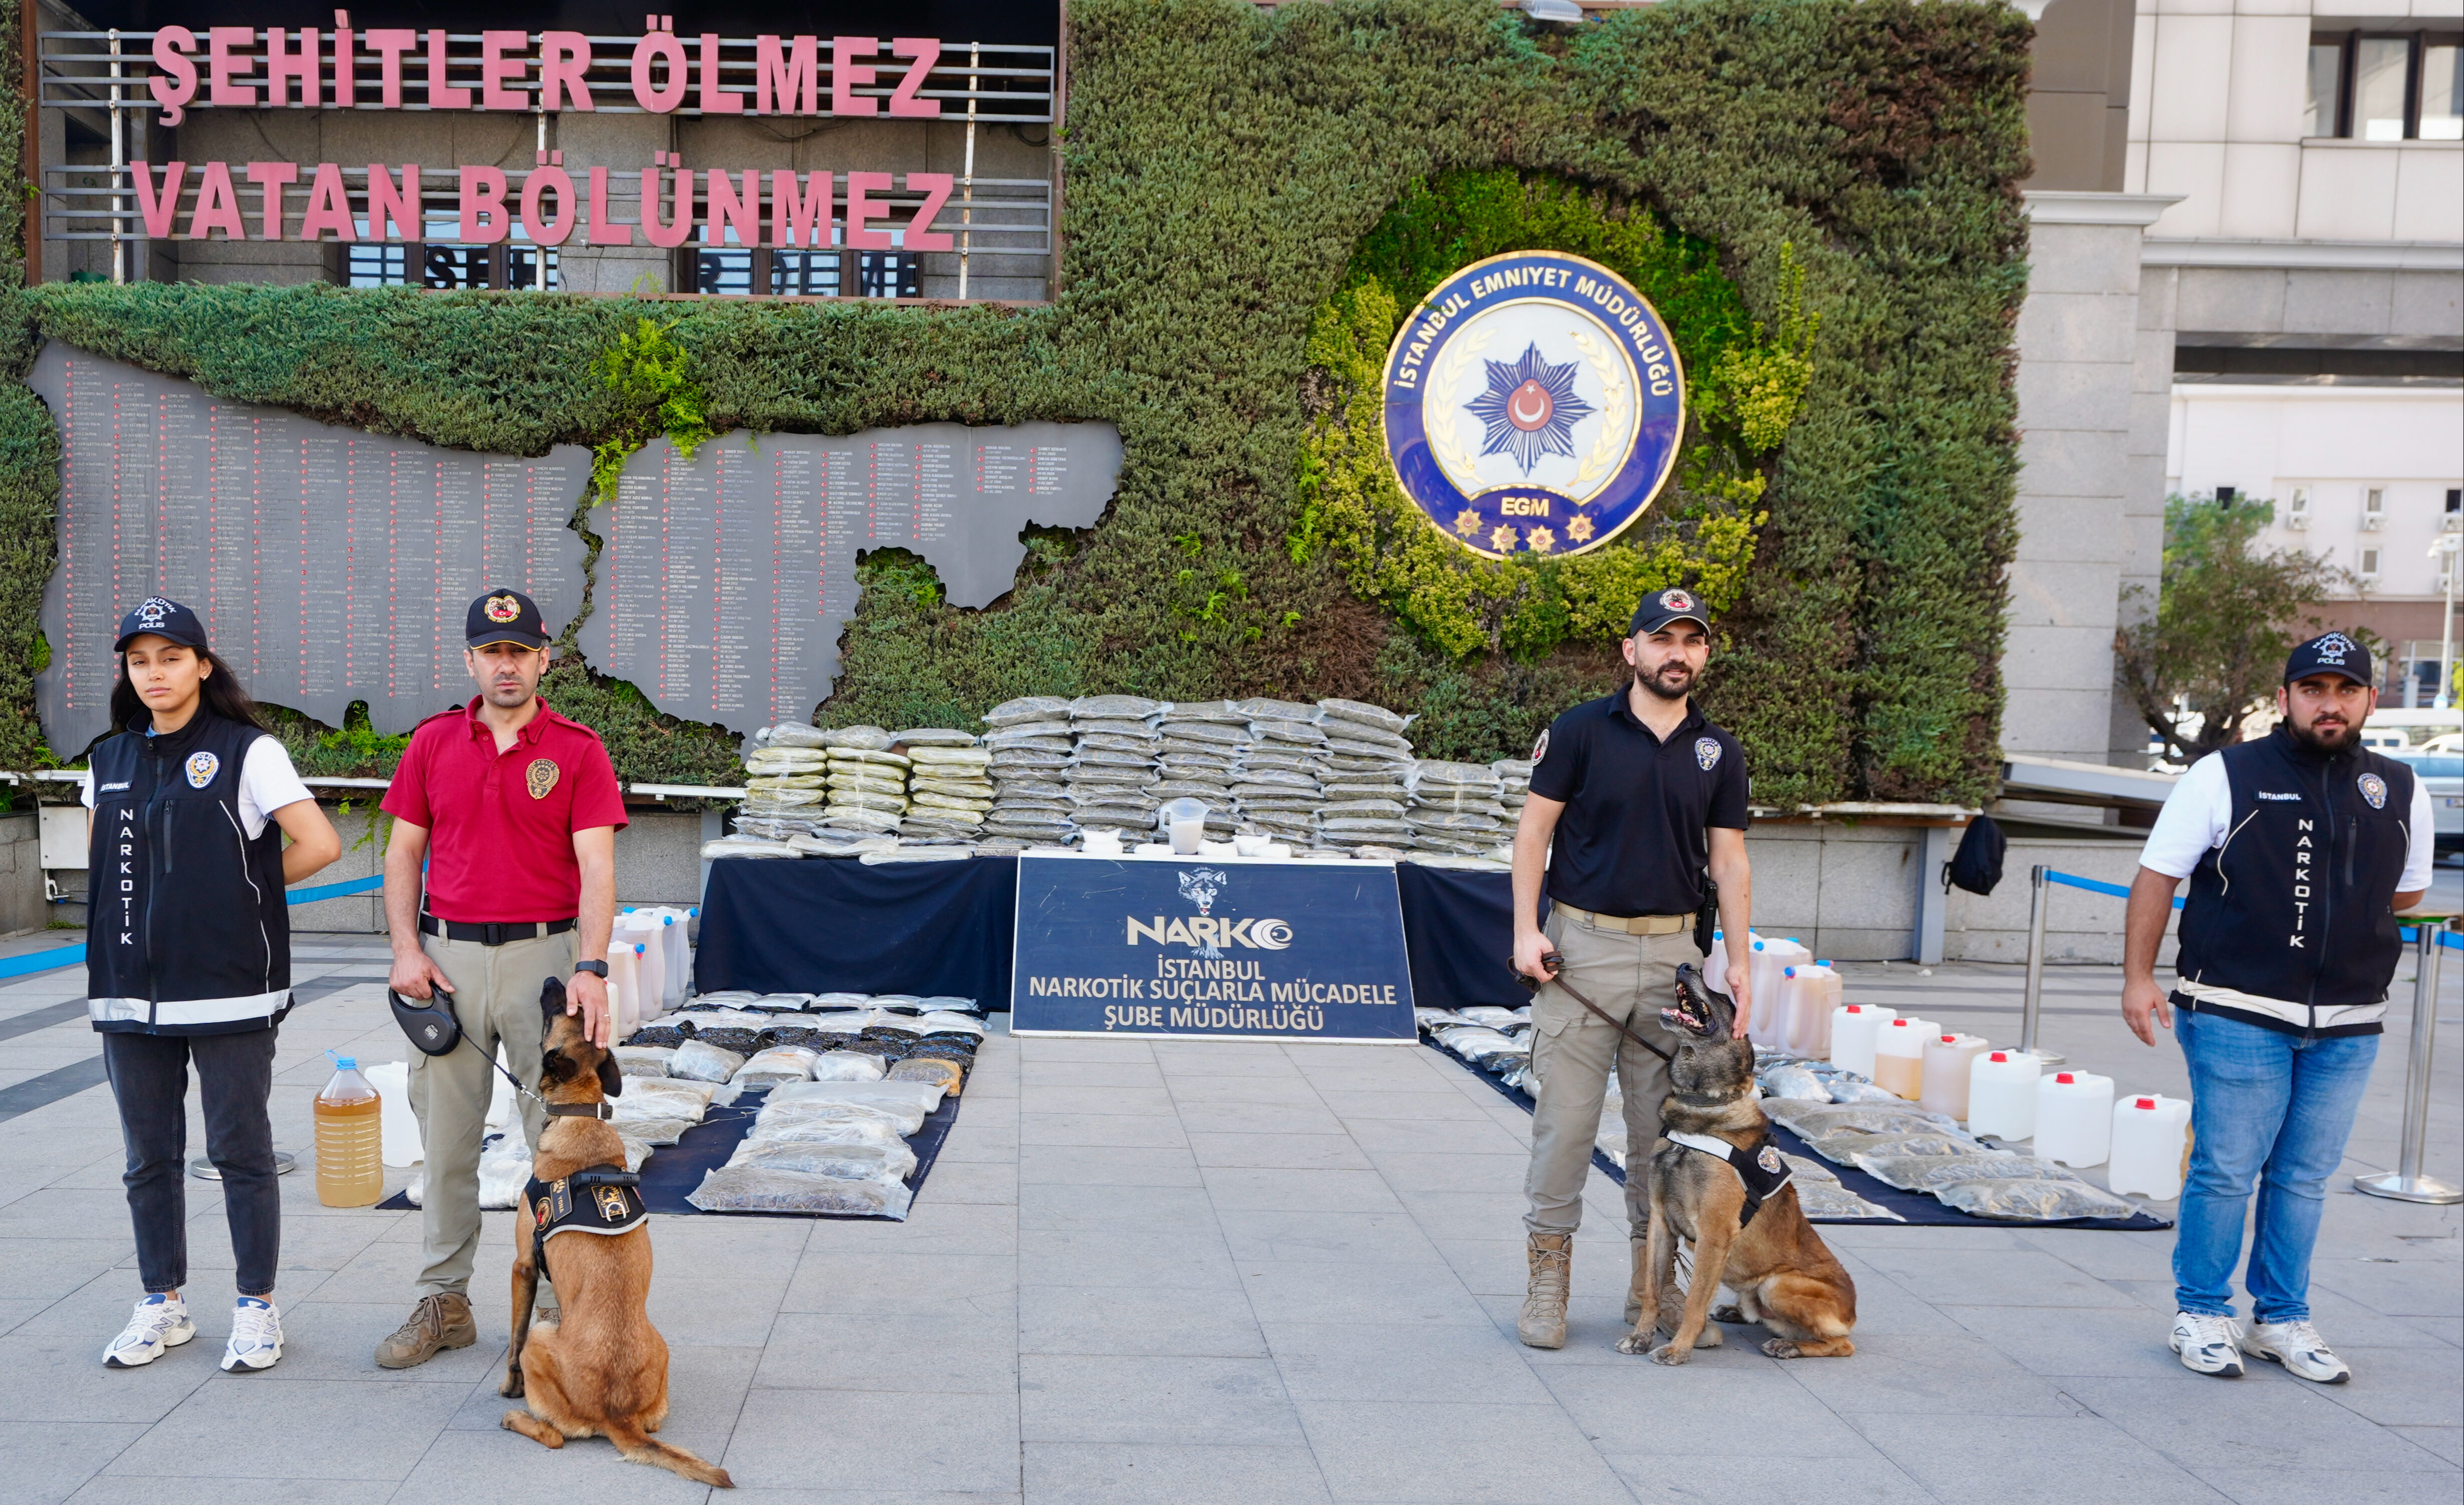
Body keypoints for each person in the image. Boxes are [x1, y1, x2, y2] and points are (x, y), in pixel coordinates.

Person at [2123, 631, 2433, 1384]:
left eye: (2347, 691)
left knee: (2303, 1175)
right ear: (2287, 695)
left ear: (2367, 698)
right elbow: (2158, 876)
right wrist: (2138, 976)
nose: (2331, 705)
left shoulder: (2397, 785)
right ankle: (2200, 1310)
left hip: (2348, 1022)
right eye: (2315, 690)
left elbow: (2409, 893)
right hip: (2235, 1006)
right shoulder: (2224, 774)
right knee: (2228, 1168)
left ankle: (2281, 1317)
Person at [86, 596, 342, 1373]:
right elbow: (104, 873)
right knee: (147, 1156)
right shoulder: (107, 760)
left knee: (240, 1150)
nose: (155, 673)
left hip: (230, 987)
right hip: (130, 989)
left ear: (202, 665)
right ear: (128, 673)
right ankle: (161, 1302)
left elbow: (320, 842)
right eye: (140, 660)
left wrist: (241, 896)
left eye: (171, 657)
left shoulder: (247, 750)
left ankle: (257, 1307)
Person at [373, 589, 627, 1369]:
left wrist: (590, 967)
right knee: (444, 1141)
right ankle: (445, 1299)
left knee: (555, 1137)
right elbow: (402, 853)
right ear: (470, 660)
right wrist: (405, 949)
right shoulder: (433, 744)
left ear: (544, 658)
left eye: (520, 651)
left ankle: (560, 1298)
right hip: (446, 964)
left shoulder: (578, 749)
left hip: (543, 963)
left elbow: (597, 867)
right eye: (492, 651)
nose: (505, 664)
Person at [1508, 587, 1755, 1350]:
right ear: (1632, 650)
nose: (1677, 652)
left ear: (1705, 654)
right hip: (1582, 949)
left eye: (1692, 641)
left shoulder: (1720, 752)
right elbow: (1532, 834)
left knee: (1666, 1134)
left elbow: (1731, 859)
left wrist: (1740, 961)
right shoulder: (1581, 731)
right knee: (1567, 1126)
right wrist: (1524, 929)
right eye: (1663, 638)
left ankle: (1654, 1287)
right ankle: (1548, 1278)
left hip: (1676, 962)